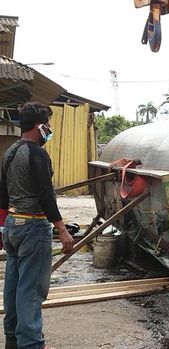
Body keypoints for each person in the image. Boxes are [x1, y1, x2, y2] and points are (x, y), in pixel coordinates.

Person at [0, 102, 74, 349]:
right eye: (49, 125)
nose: (49, 130)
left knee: (13, 285)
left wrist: (3, 228)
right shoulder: (37, 153)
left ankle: (13, 340)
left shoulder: (10, 152)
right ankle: (31, 344)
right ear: (39, 126)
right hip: (33, 226)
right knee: (31, 289)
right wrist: (62, 230)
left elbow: (2, 195)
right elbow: (45, 196)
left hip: (13, 225)